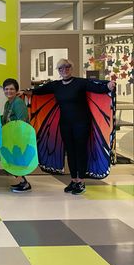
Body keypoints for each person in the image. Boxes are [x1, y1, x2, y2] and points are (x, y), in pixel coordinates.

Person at [24, 58, 115, 195]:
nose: (64, 70)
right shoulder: (56, 85)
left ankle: (81, 181)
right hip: (65, 124)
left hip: (81, 123)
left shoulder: (80, 83)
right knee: (70, 152)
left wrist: (108, 86)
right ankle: (73, 180)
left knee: (80, 151)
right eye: (61, 68)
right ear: (58, 71)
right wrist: (24, 92)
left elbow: (96, 88)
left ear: (71, 68)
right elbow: (39, 91)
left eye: (67, 67)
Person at [2, 78, 32, 193]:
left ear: (16, 90)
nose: (9, 91)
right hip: (10, 136)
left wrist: (17, 137)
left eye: (11, 89)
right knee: (12, 161)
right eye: (6, 89)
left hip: (19, 137)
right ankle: (22, 182)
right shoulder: (8, 103)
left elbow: (22, 121)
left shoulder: (18, 103)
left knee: (15, 161)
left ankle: (24, 183)